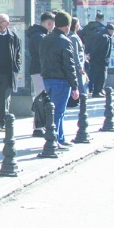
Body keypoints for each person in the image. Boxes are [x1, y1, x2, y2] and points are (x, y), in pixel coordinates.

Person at [38, 11, 80, 146]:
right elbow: (69, 65)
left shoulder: (46, 39)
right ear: (67, 26)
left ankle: (60, 137)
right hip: (61, 80)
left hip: (47, 78)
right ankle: (54, 139)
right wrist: (74, 86)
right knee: (58, 112)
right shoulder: (65, 41)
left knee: (53, 110)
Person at [27, 12, 54, 97]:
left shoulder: (39, 34)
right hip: (39, 70)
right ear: (49, 23)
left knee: (42, 96)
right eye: (54, 24)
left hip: (39, 69)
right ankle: (40, 110)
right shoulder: (40, 36)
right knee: (42, 97)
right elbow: (45, 54)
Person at [88, 23, 114, 97]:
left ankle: (99, 90)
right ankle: (98, 91)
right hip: (101, 60)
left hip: (96, 59)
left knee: (97, 75)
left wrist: (90, 55)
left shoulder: (98, 34)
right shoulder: (105, 37)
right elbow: (101, 49)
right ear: (110, 30)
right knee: (101, 76)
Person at [69, 17, 88, 102]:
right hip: (77, 67)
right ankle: (80, 100)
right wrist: (79, 67)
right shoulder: (73, 37)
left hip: (80, 64)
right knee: (80, 84)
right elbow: (75, 54)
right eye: (78, 24)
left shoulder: (75, 36)